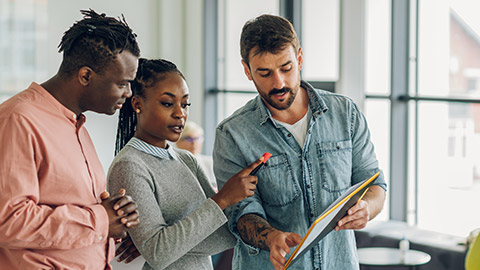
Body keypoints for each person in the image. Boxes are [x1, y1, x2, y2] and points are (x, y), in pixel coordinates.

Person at [212, 14, 387, 270]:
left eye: (286, 68)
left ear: (300, 59)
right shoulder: (232, 134)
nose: (279, 83)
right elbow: (240, 213)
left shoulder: (345, 114)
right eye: (265, 73)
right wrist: (272, 238)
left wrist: (367, 209)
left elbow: (374, 183)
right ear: (247, 71)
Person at [0, 10, 140, 269]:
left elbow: (75, 211)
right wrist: (100, 219)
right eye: (122, 83)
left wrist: (115, 215)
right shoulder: (18, 119)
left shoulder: (77, 124)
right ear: (85, 76)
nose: (129, 94)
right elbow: (8, 220)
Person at [108, 58, 265, 270]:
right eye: (167, 103)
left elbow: (224, 237)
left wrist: (160, 243)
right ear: (137, 104)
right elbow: (158, 254)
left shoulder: (187, 160)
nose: (180, 113)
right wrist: (221, 199)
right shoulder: (129, 166)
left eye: (185, 104)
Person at [176, 121, 218, 191]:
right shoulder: (172, 164)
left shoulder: (211, 162)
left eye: (197, 138)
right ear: (178, 141)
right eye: (188, 139)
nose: (194, 143)